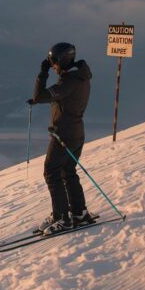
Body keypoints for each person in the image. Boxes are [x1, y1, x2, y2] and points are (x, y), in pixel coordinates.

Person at [27, 42, 97, 235]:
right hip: (76, 132)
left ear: (62, 60)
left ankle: (62, 218)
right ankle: (79, 213)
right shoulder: (80, 77)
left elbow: (40, 94)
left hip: (64, 134)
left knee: (51, 172)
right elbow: (62, 97)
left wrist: (43, 73)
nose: (53, 65)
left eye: (54, 61)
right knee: (68, 171)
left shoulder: (68, 82)